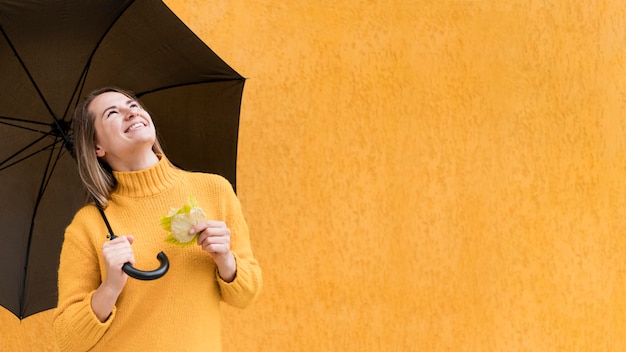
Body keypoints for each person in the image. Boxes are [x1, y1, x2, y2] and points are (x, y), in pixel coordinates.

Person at [53, 87, 262, 351]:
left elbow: (247, 295)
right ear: (97, 147)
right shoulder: (89, 225)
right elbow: (68, 340)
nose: (131, 112)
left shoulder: (214, 190)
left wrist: (226, 260)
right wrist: (110, 287)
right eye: (112, 113)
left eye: (133, 105)